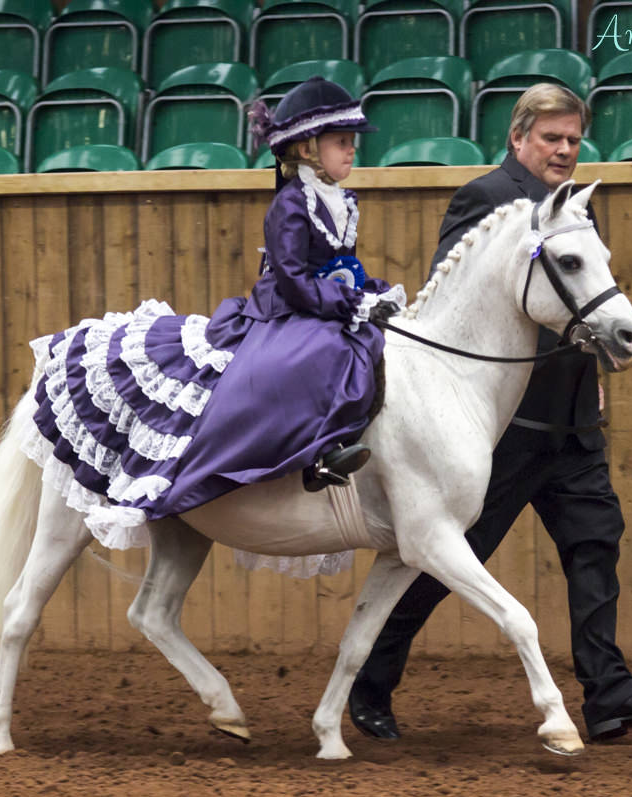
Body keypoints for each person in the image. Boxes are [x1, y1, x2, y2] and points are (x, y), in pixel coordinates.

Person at [347, 84, 632, 743]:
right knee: (447, 556)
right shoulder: (483, 199)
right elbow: (465, 309)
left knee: (595, 541)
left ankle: (609, 694)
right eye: (551, 138)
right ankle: (369, 678)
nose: (564, 150)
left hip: (572, 421)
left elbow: (586, 302)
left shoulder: (577, 211)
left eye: (572, 139)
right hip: (498, 425)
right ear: (518, 138)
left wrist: (600, 367)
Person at [26, 77, 404, 550]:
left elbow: (340, 267)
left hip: (321, 303)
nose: (352, 151)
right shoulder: (291, 203)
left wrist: (368, 293)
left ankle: (341, 442)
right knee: (317, 357)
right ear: (308, 149)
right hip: (285, 308)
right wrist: (344, 303)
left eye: (351, 143)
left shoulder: (342, 200)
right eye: (342, 143)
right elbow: (290, 276)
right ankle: (317, 459)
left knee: (369, 344)